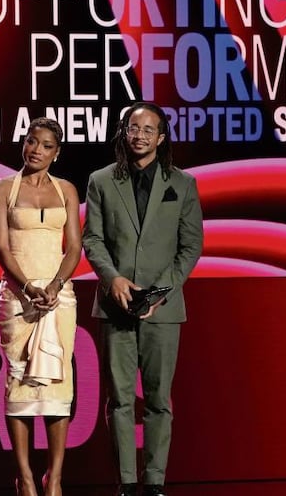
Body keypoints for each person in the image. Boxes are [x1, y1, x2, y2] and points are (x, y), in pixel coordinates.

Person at [82, 102, 204, 496]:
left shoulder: (182, 184)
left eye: (149, 129)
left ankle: (154, 482)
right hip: (115, 304)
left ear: (161, 137)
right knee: (119, 399)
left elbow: (191, 246)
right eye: (133, 128)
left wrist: (160, 291)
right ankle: (126, 483)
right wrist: (113, 279)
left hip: (163, 309)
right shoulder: (101, 180)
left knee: (158, 400)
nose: (140, 135)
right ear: (124, 132)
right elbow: (92, 239)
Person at [0, 117, 83, 496]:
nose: (36, 150)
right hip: (18, 297)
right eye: (31, 141)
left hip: (58, 299)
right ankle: (25, 477)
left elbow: (74, 248)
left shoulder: (67, 190)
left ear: (56, 153)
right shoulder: (2, 189)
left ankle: (54, 477)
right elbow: (1, 247)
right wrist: (28, 287)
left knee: (59, 380)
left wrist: (55, 286)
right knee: (20, 380)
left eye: (46, 145)